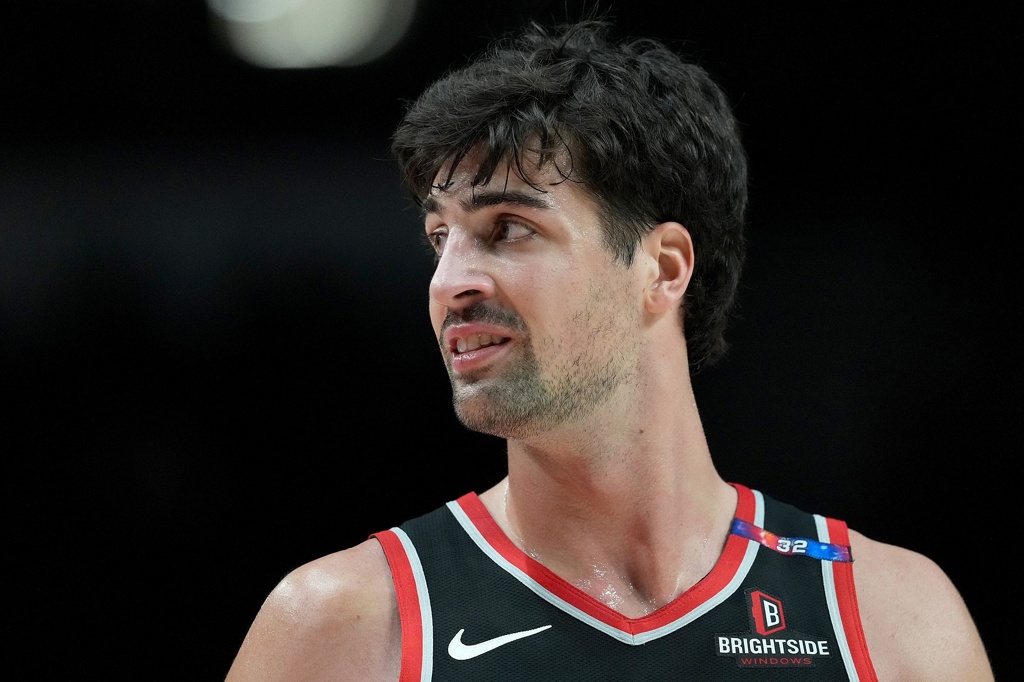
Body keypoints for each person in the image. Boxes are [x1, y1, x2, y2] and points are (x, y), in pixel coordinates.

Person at [224, 18, 994, 681]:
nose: (448, 282)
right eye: (439, 238)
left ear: (662, 269)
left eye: (507, 229)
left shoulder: (892, 621)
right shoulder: (341, 628)